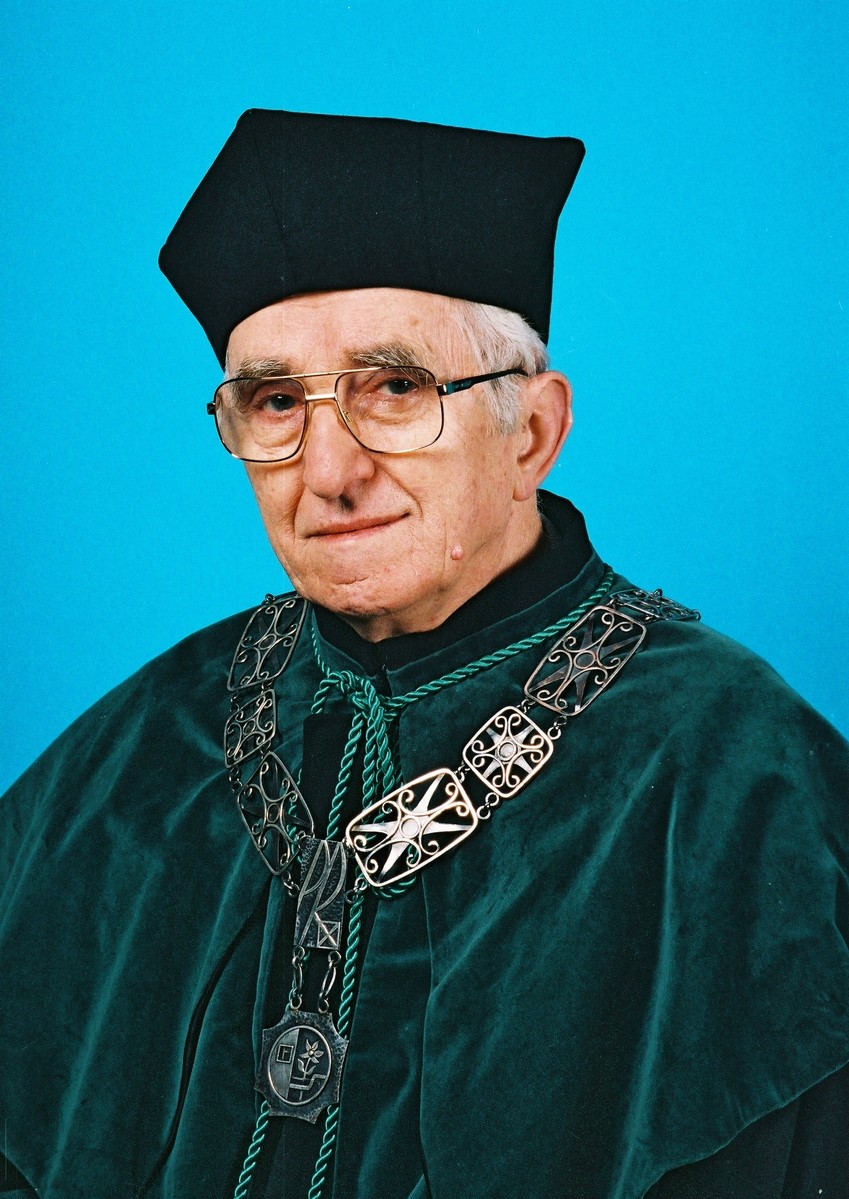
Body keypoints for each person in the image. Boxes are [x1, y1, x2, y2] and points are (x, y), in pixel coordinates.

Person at [1, 109, 848, 1199]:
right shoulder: (135, 751)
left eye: (395, 388)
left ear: (532, 433)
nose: (329, 472)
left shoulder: (734, 766)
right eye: (276, 403)